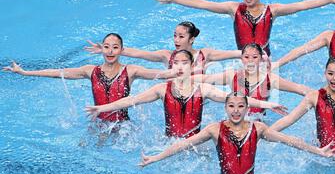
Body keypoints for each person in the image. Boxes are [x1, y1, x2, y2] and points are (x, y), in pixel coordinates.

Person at [85, 50, 288, 138]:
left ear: (192, 66)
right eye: (176, 64)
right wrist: (102, 108)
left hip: (196, 144)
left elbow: (236, 100)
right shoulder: (162, 89)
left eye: (184, 63)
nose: (180, 67)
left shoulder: (203, 89)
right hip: (169, 142)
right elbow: (132, 100)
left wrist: (269, 105)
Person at [139, 92, 335, 174]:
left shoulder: (258, 128)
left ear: (247, 109)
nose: (236, 110)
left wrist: (317, 151)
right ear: (225, 108)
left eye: (240, 106)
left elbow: (290, 141)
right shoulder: (214, 129)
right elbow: (183, 145)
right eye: (231, 106)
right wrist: (156, 157)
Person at [3, 33, 176, 122]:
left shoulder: (130, 71)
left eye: (115, 47)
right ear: (101, 49)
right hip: (97, 123)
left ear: (122, 50)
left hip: (123, 126)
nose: (110, 51)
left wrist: (179, 72)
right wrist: (25, 72)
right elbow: (58, 72)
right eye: (106, 47)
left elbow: (159, 75)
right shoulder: (90, 71)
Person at [154, 0, 335, 56]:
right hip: (243, 58)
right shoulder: (233, 9)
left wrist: (329, 0)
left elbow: (301, 5)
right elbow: (204, 4)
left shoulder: (273, 10)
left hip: (265, 59)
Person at [193, 43, 311, 120]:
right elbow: (204, 79)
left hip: (258, 125)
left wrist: (321, 96)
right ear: (241, 58)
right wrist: (180, 77)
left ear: (260, 59)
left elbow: (299, 89)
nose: (250, 61)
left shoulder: (270, 79)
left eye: (254, 57)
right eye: (246, 57)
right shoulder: (231, 76)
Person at [85, 21, 242, 74]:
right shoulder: (167, 56)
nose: (176, 40)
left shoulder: (205, 54)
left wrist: (256, 54)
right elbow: (140, 54)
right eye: (175, 35)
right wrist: (110, 49)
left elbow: (233, 54)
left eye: (181, 36)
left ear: (192, 39)